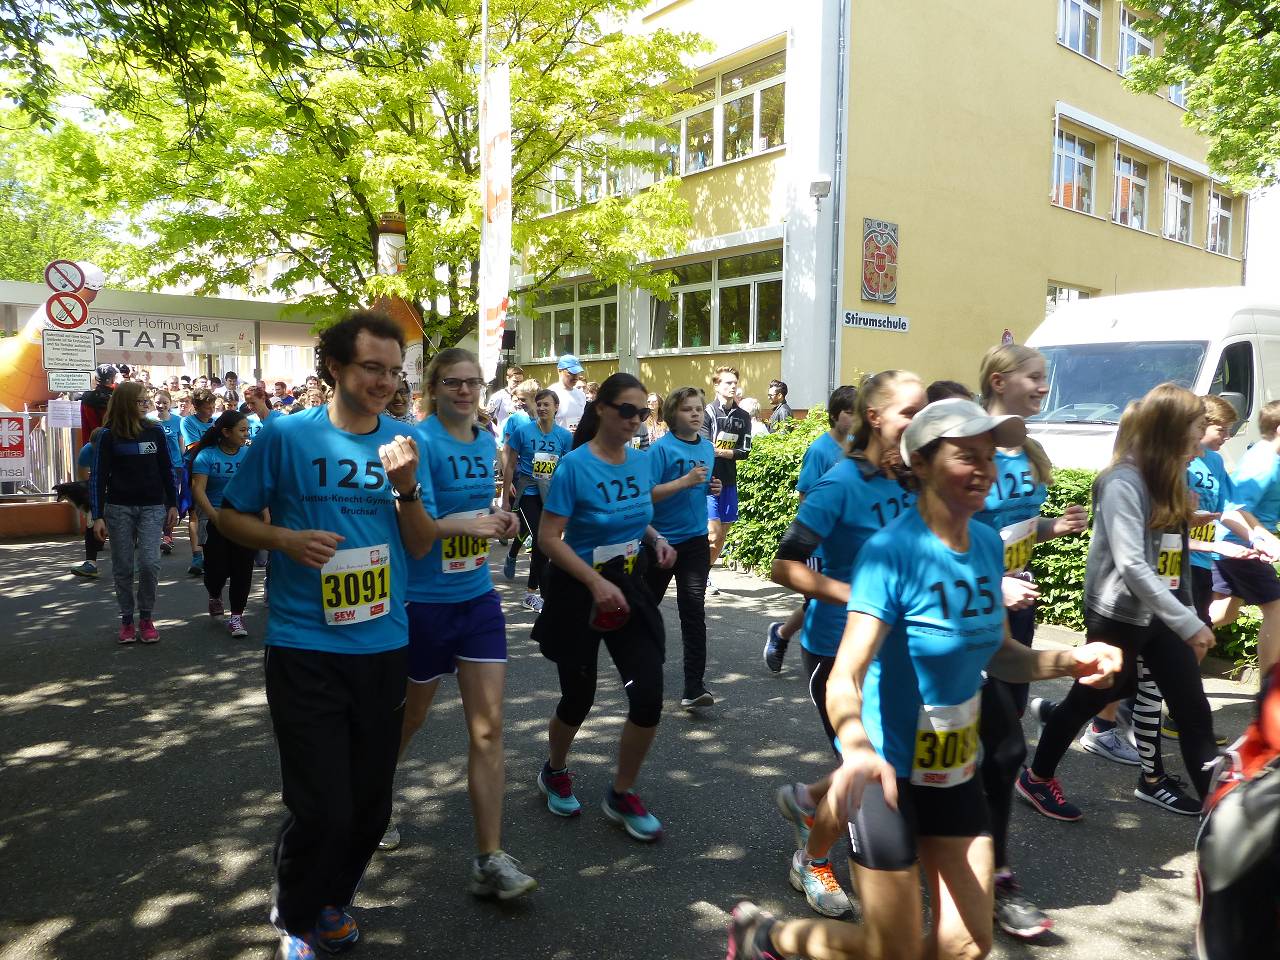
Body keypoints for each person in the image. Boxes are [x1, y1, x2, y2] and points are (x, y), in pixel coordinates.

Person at [727, 398, 1122, 960]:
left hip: (955, 769)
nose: (985, 469)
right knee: (893, 949)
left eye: (990, 455)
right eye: (968, 455)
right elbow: (846, 675)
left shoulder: (987, 545)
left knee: (966, 945)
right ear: (923, 464)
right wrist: (858, 749)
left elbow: (1002, 655)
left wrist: (1074, 661)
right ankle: (763, 936)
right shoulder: (891, 554)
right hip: (887, 775)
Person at [217, 310, 434, 960]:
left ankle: (332, 897)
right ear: (335, 367)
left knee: (371, 808)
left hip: (383, 644)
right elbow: (230, 518)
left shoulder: (404, 444)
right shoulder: (285, 435)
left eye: (394, 372)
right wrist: (283, 537)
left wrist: (407, 489)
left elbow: (420, 546)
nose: (384, 382)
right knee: (321, 807)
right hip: (303, 643)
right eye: (372, 368)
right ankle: (295, 914)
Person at [1018, 384, 1220, 824]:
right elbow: (1131, 563)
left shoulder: (1170, 479)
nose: (1200, 441)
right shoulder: (1122, 481)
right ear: (1170, 430)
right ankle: (1036, 777)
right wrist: (1187, 622)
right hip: (1120, 613)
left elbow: (1171, 560)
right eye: (1195, 430)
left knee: (1193, 712)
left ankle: (1222, 823)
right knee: (1092, 698)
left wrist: (1186, 612)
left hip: (1162, 613)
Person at [379, 348, 535, 897]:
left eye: (472, 383)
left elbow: (483, 515)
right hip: (423, 604)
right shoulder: (416, 443)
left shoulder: (486, 442)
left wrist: (505, 520)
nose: (465, 391)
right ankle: (376, 792)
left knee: (489, 730)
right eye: (453, 383)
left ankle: (490, 859)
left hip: (477, 600)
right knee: (411, 719)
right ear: (433, 388)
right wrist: (460, 525)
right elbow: (417, 536)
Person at [769, 371, 923, 920]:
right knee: (867, 770)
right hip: (838, 651)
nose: (919, 420)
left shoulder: (911, 482)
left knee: (891, 762)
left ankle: (809, 798)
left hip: (904, 651)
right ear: (876, 417)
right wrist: (860, 595)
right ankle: (811, 858)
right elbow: (783, 565)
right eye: (909, 410)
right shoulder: (839, 484)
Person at [971, 344, 1088, 937]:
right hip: (972, 607)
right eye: (1035, 377)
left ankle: (980, 860)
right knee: (997, 746)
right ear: (999, 380)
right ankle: (991, 872)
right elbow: (951, 533)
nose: (1045, 386)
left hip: (1015, 607)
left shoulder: (1028, 450)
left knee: (1002, 739)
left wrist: (1051, 527)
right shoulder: (970, 447)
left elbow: (1013, 529)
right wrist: (993, 583)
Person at [532, 372, 677, 842]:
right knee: (579, 698)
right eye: (626, 411)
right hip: (579, 592)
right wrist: (594, 581)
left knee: (649, 695)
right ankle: (554, 769)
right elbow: (549, 539)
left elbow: (637, 515)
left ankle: (622, 791)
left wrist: (656, 538)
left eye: (643, 412)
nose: (636, 420)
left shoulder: (639, 463)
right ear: (602, 410)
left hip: (627, 589)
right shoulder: (574, 466)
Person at [765, 385, 858, 673]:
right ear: (833, 415)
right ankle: (785, 637)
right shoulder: (819, 449)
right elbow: (806, 495)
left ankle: (781, 635)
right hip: (819, 542)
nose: (854, 419)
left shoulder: (856, 446)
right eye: (848, 413)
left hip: (843, 543)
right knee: (818, 599)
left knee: (820, 601)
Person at [647, 386, 721, 710]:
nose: (695, 413)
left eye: (698, 408)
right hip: (659, 542)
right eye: (687, 408)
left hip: (693, 540)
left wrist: (712, 486)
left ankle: (694, 686)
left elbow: (701, 485)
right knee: (646, 613)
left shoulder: (707, 447)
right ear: (672, 414)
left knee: (694, 612)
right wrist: (685, 482)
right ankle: (642, 674)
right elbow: (645, 495)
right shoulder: (659, 450)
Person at [90, 381, 179, 644]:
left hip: (153, 507)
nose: (146, 405)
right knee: (123, 567)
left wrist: (172, 503)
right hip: (118, 509)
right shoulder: (107, 435)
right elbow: (98, 477)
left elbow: (167, 469)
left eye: (146, 401)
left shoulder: (155, 431)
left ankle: (147, 617)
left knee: (150, 564)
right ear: (126, 403)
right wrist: (97, 515)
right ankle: (127, 619)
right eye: (141, 401)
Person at [1210, 399, 1280, 676]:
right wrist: (1263, 538)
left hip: (1238, 544)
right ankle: (1268, 689)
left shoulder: (1268, 456)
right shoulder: (1264, 462)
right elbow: (1236, 506)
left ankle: (1167, 640)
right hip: (1242, 546)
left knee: (1224, 613)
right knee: (1277, 609)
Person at [502, 388, 573, 612]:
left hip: (552, 495)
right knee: (541, 542)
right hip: (528, 493)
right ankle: (541, 596)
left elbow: (569, 467)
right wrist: (505, 498)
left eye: (547, 404)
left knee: (545, 544)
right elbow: (510, 463)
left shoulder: (564, 436)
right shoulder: (523, 432)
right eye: (539, 404)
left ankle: (531, 592)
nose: (542, 408)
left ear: (556, 408)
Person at [191, 410, 255, 638]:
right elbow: (198, 489)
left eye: (248, 429)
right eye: (242, 430)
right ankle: (215, 594)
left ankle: (236, 616)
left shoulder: (248, 453)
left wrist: (264, 510)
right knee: (217, 570)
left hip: (243, 518)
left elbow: (255, 485)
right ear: (226, 432)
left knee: (243, 568)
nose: (246, 434)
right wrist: (214, 516)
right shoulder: (206, 456)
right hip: (214, 517)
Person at [701, 366, 752, 595]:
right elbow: (703, 447)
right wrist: (716, 451)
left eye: (734, 383)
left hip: (729, 481)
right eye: (727, 383)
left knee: (721, 535)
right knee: (712, 534)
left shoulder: (743, 416)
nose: (732, 387)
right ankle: (697, 573)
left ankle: (703, 573)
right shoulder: (707, 412)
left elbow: (745, 450)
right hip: (710, 482)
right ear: (716, 385)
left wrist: (722, 452)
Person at [181, 387, 218, 576]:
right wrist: (214, 441)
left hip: (215, 471)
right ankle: (197, 555)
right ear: (196, 407)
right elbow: (194, 446)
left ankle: (214, 552)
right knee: (194, 513)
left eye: (212, 406)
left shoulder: (216, 422)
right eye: (206, 407)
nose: (210, 410)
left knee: (214, 511)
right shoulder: (187, 421)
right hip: (194, 468)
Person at [151, 389, 184, 555]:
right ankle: (151, 535)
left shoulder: (178, 421)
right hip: (153, 466)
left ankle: (168, 537)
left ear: (170, 403)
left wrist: (184, 462)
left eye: (164, 402)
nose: (161, 405)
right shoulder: (148, 420)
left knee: (170, 500)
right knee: (155, 500)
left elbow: (181, 445)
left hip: (174, 466)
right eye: (158, 402)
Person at [70, 427, 107, 577]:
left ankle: (133, 563)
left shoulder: (115, 448)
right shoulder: (86, 451)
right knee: (92, 522)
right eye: (94, 447)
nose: (96, 450)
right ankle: (91, 563)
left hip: (117, 487)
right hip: (96, 486)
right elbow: (84, 478)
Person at [551, 354, 587, 431]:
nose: (576, 376)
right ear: (559, 371)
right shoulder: (551, 393)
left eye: (578, 373)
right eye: (571, 373)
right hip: (558, 441)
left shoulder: (581, 395)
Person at [486, 365, 525, 434]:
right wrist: (497, 431)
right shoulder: (498, 396)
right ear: (507, 378)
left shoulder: (525, 396)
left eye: (521, 381)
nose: (518, 384)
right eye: (515, 381)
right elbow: (487, 417)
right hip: (503, 439)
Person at [80, 364, 117, 435]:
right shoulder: (116, 396)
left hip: (91, 439)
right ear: (112, 379)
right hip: (110, 438)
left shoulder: (86, 395)